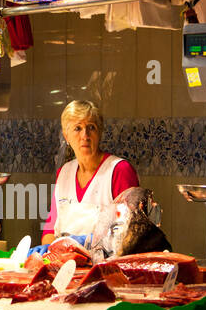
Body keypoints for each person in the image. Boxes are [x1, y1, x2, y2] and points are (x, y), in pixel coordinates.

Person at [40, 100, 140, 244]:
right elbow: (50, 228)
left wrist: (87, 244)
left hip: (105, 264)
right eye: (77, 128)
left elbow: (130, 233)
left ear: (99, 132)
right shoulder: (64, 172)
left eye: (91, 127)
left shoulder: (119, 170)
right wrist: (49, 253)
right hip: (66, 264)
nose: (85, 135)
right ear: (66, 136)